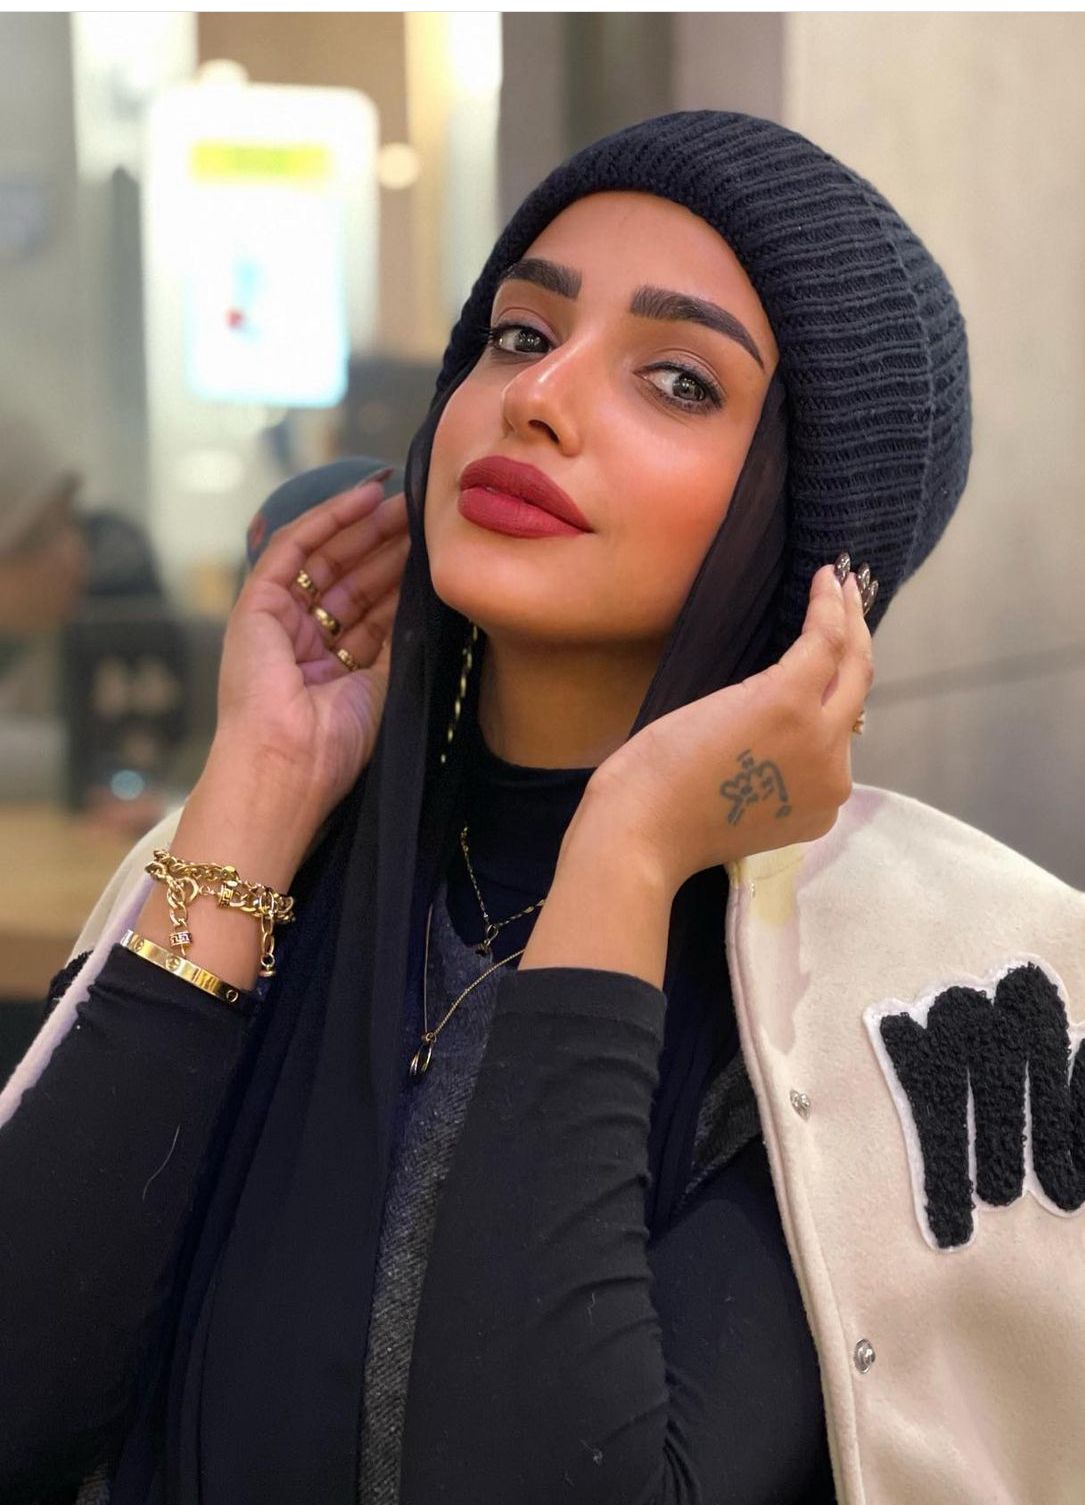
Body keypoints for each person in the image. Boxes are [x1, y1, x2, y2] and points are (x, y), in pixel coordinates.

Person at [1, 111, 1082, 1505]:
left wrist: (626, 848)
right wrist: (262, 782)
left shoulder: (903, 991)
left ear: (820, 535)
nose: (540, 397)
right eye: (521, 334)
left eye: (678, 381)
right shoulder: (261, 855)